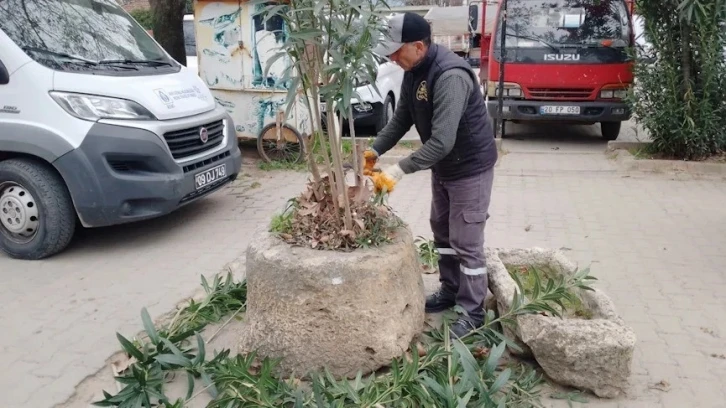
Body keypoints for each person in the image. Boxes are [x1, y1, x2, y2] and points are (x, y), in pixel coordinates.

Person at [364, 12, 498, 339]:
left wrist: (395, 172)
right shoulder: (414, 70)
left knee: (466, 241)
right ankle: (451, 290)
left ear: (419, 46)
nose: (392, 58)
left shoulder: (450, 75)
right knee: (441, 230)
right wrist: (374, 151)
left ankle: (472, 311)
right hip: (444, 166)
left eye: (397, 51)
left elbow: (441, 141)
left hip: (469, 166)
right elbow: (401, 120)